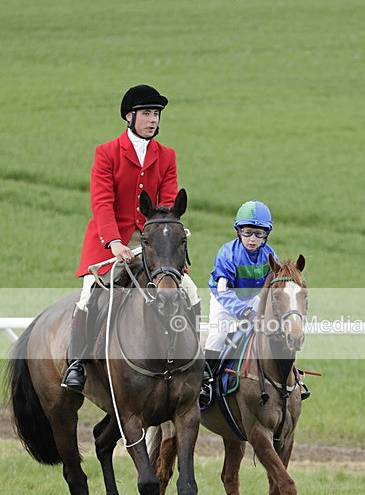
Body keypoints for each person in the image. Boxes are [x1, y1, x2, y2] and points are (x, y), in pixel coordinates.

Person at [62, 83, 200, 392]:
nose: (153, 120)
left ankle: (194, 364)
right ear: (129, 116)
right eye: (147, 113)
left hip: (152, 242)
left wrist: (158, 238)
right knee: (89, 296)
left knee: (190, 292)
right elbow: (101, 202)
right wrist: (114, 242)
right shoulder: (106, 152)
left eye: (157, 114)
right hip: (110, 241)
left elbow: (168, 204)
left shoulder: (167, 156)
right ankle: (77, 363)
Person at [200, 200, 279, 406]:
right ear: (238, 231)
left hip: (251, 299)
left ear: (266, 235)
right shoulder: (227, 253)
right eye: (247, 232)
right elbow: (223, 291)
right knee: (219, 333)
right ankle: (205, 381)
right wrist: (243, 312)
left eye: (259, 234)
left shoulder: (270, 256)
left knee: (275, 330)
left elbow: (274, 286)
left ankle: (287, 379)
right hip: (225, 299)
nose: (252, 239)